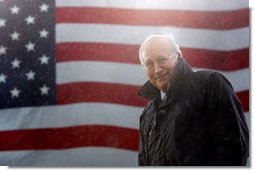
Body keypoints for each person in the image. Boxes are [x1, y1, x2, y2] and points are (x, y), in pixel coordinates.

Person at [137, 34, 249, 166]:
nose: (156, 70)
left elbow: (233, 149)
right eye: (149, 64)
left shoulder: (209, 84)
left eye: (162, 60)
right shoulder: (148, 114)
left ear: (178, 57)